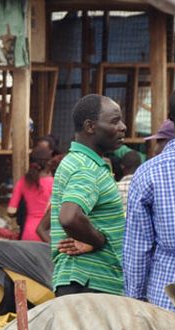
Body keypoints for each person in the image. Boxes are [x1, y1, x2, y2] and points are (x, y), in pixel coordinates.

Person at [124, 85, 175, 311]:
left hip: (171, 307)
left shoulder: (147, 173)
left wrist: (135, 300)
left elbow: (138, 247)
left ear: (170, 119)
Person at [35, 94, 126, 297]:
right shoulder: (86, 167)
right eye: (115, 121)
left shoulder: (77, 161)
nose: (123, 127)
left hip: (82, 282)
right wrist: (99, 240)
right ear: (90, 126)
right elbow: (69, 217)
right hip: (90, 284)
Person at [8, 148, 53, 242]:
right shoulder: (55, 183)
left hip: (28, 233)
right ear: (48, 163)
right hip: (48, 233)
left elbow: (11, 211)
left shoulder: (23, 182)